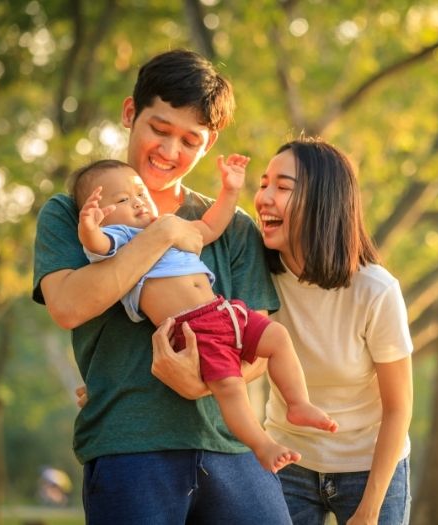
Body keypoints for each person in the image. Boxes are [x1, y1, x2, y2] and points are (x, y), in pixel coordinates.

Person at [33, 49, 293, 524]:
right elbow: (68, 306)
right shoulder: (74, 211)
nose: (170, 152)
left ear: (209, 143)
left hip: (231, 444)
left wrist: (199, 384)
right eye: (159, 129)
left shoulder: (231, 227)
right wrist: (160, 234)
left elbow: (259, 336)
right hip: (129, 447)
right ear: (131, 113)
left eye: (189, 140)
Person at [152, 136, 414, 524]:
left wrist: (370, 510)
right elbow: (191, 314)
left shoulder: (375, 290)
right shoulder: (256, 273)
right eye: (263, 184)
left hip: (370, 467)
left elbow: (398, 408)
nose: (264, 198)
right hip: (287, 459)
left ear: (323, 201)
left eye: (283, 187)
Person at [72, 158, 337, 472]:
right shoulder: (121, 239)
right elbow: (97, 244)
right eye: (122, 200)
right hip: (194, 330)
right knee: (230, 387)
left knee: (277, 336)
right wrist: (89, 226)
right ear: (104, 215)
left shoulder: (168, 226)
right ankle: (261, 444)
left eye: (141, 194)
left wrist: (230, 190)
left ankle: (297, 403)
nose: (139, 203)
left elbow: (211, 226)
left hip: (224, 311)